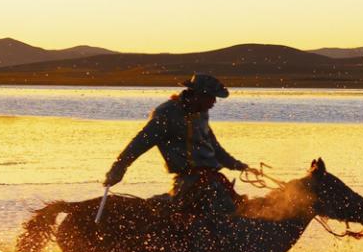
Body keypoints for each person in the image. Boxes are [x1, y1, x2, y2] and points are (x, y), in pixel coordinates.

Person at [103, 73, 252, 220]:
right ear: (198, 95)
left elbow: (215, 147)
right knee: (225, 212)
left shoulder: (202, 113)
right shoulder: (167, 114)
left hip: (212, 178)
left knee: (237, 206)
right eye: (211, 98)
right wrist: (118, 169)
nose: (214, 102)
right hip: (188, 181)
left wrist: (238, 165)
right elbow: (138, 144)